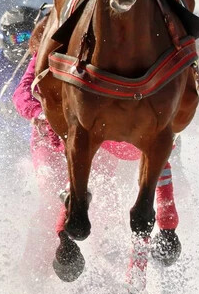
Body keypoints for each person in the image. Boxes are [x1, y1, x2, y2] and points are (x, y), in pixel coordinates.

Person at [12, 55, 182, 280]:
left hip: (92, 135)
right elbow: (22, 91)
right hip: (51, 140)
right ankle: (33, 273)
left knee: (106, 201)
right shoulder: (49, 47)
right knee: (49, 196)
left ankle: (106, 266)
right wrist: (40, 114)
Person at [0, 6, 40, 183]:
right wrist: (0, 102)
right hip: (3, 129)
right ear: (5, 37)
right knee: (4, 167)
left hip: (33, 128)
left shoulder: (42, 59)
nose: (21, 44)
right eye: (15, 38)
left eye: (26, 37)